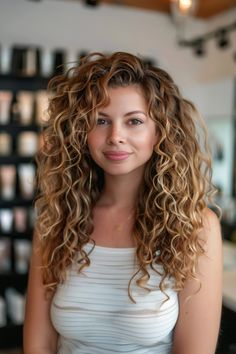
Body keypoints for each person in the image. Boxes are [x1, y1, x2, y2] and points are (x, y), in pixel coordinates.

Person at [23, 51, 222, 354]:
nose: (115, 136)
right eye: (101, 120)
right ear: (82, 133)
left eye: (134, 121)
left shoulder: (196, 226)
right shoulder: (56, 219)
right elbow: (39, 343)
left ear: (160, 132)